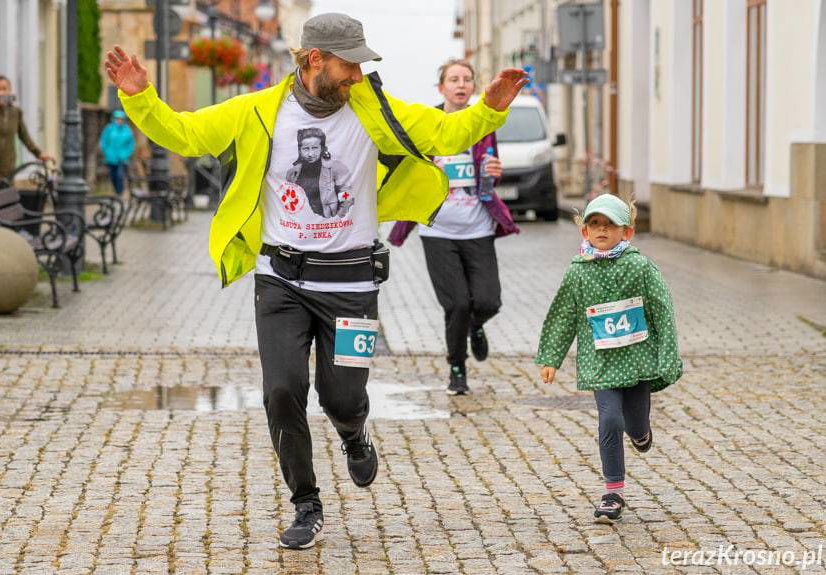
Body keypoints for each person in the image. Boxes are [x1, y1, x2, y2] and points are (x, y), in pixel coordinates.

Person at [104, 12, 526, 549]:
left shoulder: (377, 112)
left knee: (342, 397)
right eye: (348, 63)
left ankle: (354, 431)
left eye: (360, 63)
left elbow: (446, 132)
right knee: (282, 392)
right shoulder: (258, 111)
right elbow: (187, 135)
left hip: (351, 282)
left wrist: (489, 107)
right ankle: (306, 502)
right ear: (312, 61)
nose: (356, 73)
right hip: (280, 278)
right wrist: (141, 98)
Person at [535, 193, 682, 523]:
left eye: (610, 224)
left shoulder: (640, 268)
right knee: (610, 419)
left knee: (635, 422)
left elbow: (662, 309)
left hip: (637, 358)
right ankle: (612, 493)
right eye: (595, 224)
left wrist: (667, 354)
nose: (602, 230)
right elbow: (563, 315)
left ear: (626, 233)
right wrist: (551, 358)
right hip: (599, 362)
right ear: (584, 232)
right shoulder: (577, 273)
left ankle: (642, 434)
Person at [388, 59, 519, 395]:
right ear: (441, 87)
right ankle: (457, 368)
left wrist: (493, 170)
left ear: (474, 87)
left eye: (467, 80)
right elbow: (407, 166)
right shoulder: (428, 123)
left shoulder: (483, 124)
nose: (461, 85)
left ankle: (476, 326)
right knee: (457, 303)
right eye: (454, 79)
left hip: (477, 227)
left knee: (489, 301)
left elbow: (489, 170)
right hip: (438, 231)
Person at [0, 75, 52, 194]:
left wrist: (39, 153)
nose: (1, 92)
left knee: (4, 207)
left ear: (10, 90)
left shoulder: (16, 113)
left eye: (4, 88)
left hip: (7, 170)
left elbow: (24, 136)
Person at [284, 127, 354, 218]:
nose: (310, 154)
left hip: (329, 223)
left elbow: (346, 194)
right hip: (302, 224)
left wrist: (340, 215)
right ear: (299, 150)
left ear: (323, 149)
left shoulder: (336, 168)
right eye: (306, 149)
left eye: (314, 148)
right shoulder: (292, 173)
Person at [99, 110, 135, 196]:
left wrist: (126, 154)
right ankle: (116, 191)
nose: (119, 121)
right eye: (118, 119)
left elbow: (131, 144)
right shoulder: (109, 129)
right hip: (111, 157)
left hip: (122, 158)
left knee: (120, 175)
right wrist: (106, 152)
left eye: (121, 119)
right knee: (113, 176)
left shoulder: (127, 130)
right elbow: (104, 141)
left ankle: (120, 192)